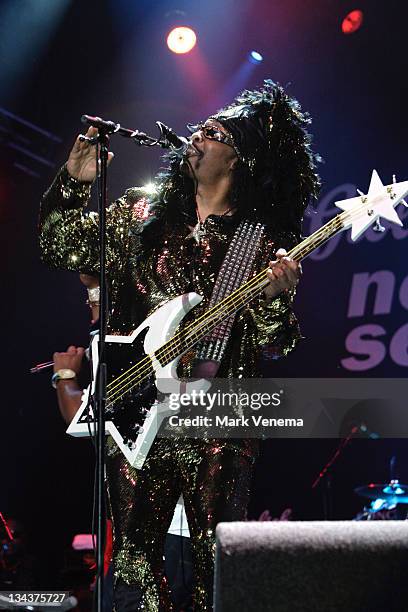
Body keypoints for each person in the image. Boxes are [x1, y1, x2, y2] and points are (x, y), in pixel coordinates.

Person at [39, 80, 320, 611]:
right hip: (137, 415)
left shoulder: (254, 240)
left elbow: (276, 342)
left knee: (209, 574)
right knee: (134, 572)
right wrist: (74, 183)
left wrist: (276, 300)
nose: (197, 135)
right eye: (201, 127)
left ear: (239, 160)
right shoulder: (139, 214)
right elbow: (59, 247)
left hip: (214, 423)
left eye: (214, 133)